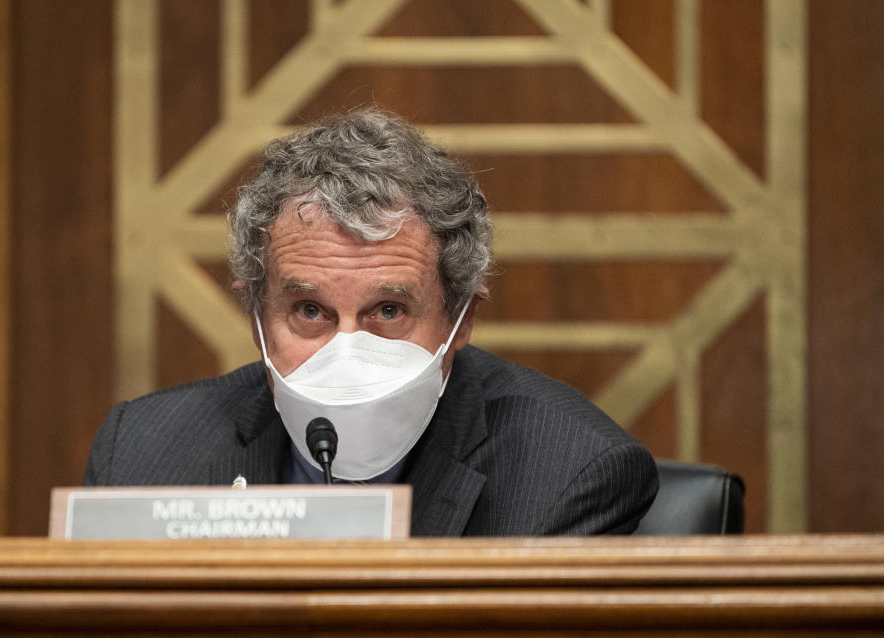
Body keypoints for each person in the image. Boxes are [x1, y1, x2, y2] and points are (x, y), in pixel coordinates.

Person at [84, 109, 658, 535]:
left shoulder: (569, 477)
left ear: (460, 321)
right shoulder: (140, 455)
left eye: (388, 311)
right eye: (311, 311)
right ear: (256, 316)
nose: (347, 352)